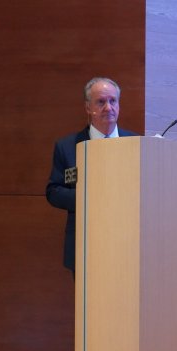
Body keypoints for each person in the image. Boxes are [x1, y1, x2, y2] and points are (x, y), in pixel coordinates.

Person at [46, 77, 136, 273]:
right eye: (101, 102)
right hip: (85, 244)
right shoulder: (68, 146)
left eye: (113, 101)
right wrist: (90, 198)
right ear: (88, 107)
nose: (108, 107)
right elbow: (54, 192)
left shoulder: (137, 143)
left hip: (129, 244)